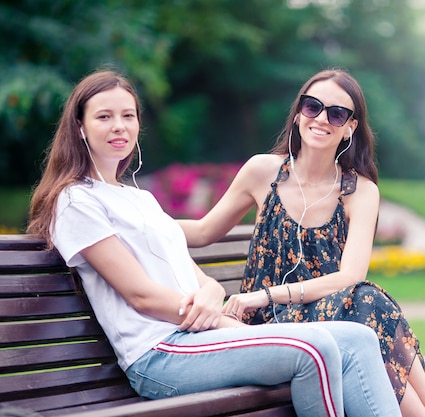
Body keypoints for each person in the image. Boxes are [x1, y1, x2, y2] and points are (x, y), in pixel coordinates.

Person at [26, 69, 402, 417]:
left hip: (198, 335)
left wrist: (209, 296)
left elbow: (196, 277)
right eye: (104, 116)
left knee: (357, 338)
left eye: (128, 115)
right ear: (79, 127)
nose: (119, 126)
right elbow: (140, 296)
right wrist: (219, 321)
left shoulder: (138, 198)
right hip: (159, 353)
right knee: (314, 350)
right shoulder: (76, 201)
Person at [178, 69, 425, 417]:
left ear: (350, 128)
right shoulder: (263, 172)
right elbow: (203, 232)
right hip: (269, 326)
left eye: (336, 113)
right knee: (367, 307)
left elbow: (350, 277)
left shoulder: (360, 191)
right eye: (312, 107)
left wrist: (264, 293)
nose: (322, 118)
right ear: (298, 115)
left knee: (364, 304)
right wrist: (139, 219)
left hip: (337, 322)